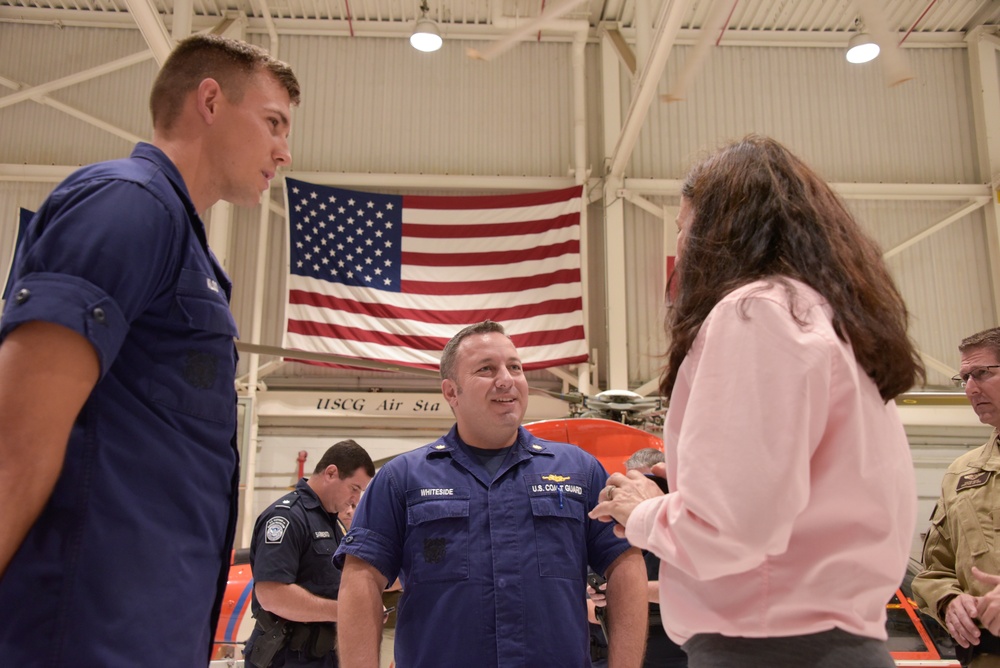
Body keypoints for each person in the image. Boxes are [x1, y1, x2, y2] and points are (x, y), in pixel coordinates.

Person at [0, 34, 300, 665]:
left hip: (147, 630)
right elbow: (15, 444)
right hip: (79, 632)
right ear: (211, 101)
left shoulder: (186, 246)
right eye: (273, 123)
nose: (284, 149)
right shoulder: (128, 205)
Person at [589, 135, 924, 668]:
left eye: (683, 227)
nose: (683, 245)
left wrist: (642, 513)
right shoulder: (824, 319)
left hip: (769, 646)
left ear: (720, 229)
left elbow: (733, 528)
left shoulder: (754, 314)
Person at [334, 320, 648, 668]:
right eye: (487, 369)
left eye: (515, 367)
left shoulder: (581, 470)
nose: (507, 379)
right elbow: (360, 582)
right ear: (451, 392)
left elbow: (625, 564)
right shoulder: (401, 479)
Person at [244, 440, 375, 668]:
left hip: (322, 654)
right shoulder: (288, 518)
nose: (357, 499)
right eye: (355, 488)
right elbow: (271, 595)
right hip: (287, 657)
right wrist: (344, 612)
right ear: (331, 473)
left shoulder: (332, 523)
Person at [913, 327, 1000, 667]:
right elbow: (935, 569)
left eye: (981, 373)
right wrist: (948, 601)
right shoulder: (961, 474)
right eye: (963, 378)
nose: (970, 389)